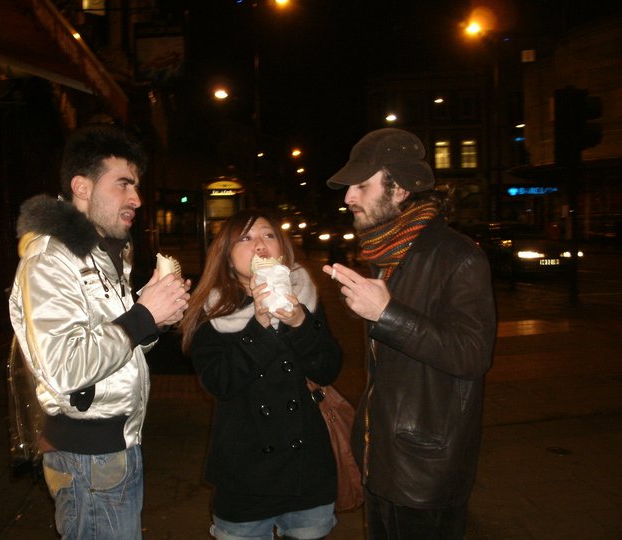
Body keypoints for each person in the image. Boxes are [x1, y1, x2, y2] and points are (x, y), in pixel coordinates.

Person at [8, 124, 190, 540]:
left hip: (116, 446)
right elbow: (67, 366)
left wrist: (154, 318)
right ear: (82, 187)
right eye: (123, 184)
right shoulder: (51, 259)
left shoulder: (103, 254)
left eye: (136, 186)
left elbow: (113, 344)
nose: (136, 199)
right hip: (87, 458)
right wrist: (143, 315)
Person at [322, 128, 496, 539]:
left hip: (425, 472)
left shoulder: (458, 256)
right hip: (383, 458)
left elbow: (473, 354)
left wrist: (387, 314)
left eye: (361, 186)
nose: (348, 198)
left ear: (399, 189)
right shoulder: (389, 254)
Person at [179, 209, 343, 540]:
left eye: (269, 235)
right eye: (246, 238)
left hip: (307, 471)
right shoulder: (210, 309)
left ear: (282, 249)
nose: (260, 245)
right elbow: (219, 383)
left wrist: (299, 323)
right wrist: (260, 324)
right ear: (226, 256)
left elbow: (328, 369)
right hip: (246, 475)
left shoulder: (304, 296)